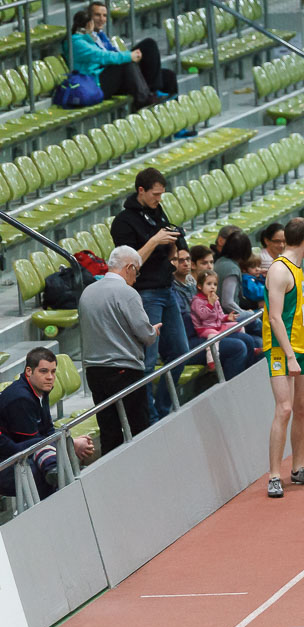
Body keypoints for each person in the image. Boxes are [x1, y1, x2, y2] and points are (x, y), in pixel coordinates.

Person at [111, 168, 189, 423]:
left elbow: (173, 241)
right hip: (144, 293)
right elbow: (130, 263)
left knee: (180, 351)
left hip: (166, 289)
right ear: (141, 191)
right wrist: (155, 240)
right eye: (155, 194)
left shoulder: (156, 212)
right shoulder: (123, 222)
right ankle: (150, 418)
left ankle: (163, 407)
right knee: (148, 359)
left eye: (162, 195)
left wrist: (174, 252)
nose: (159, 199)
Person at [263, 217, 304, 498]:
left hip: (301, 344)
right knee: (284, 408)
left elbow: (297, 308)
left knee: (303, 407)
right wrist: (289, 356)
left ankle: (298, 468)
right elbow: (275, 318)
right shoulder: (279, 270)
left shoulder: (298, 268)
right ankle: (274, 475)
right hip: (280, 349)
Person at [79, 246, 160, 455]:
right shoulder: (127, 293)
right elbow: (145, 333)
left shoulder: (87, 292)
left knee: (109, 431)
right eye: (137, 272)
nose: (136, 278)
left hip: (94, 371)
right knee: (138, 427)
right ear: (130, 267)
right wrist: (153, 332)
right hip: (124, 368)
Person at [0, 348, 95, 499]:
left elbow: (48, 430)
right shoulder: (20, 399)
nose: (50, 377)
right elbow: (26, 446)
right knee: (44, 473)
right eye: (44, 371)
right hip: (6, 461)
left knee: (56, 459)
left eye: (53, 372)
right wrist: (69, 443)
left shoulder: (40, 390)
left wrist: (68, 443)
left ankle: (62, 477)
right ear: (29, 371)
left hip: (20, 452)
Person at [65, 9, 159, 110]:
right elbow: (101, 56)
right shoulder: (76, 43)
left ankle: (151, 93)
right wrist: (128, 56)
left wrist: (129, 56)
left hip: (101, 76)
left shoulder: (88, 38)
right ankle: (144, 101)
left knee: (149, 50)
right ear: (89, 24)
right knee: (126, 64)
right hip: (93, 84)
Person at [88, 1, 177, 96]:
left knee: (168, 76)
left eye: (104, 16)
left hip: (115, 72)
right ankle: (152, 94)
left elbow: (113, 52)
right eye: (97, 15)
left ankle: (168, 103)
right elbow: (103, 58)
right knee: (147, 45)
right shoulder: (82, 38)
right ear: (88, 17)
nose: (102, 19)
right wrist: (128, 56)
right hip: (99, 81)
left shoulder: (101, 36)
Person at [190, 270, 239, 369]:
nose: (212, 287)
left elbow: (220, 315)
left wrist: (227, 318)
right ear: (200, 286)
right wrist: (210, 304)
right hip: (204, 328)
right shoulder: (197, 301)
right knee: (213, 336)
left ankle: (252, 347)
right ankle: (212, 360)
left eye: (215, 284)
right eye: (209, 284)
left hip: (217, 326)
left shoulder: (214, 299)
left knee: (238, 326)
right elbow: (202, 316)